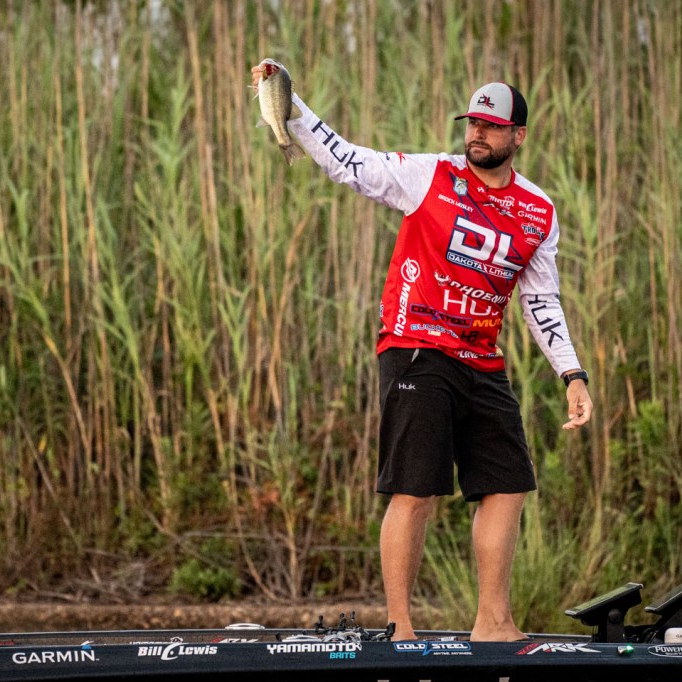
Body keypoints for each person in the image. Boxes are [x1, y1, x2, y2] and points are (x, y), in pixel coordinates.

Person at [250, 62, 593, 642]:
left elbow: (541, 299)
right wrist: (290, 105)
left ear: (518, 136)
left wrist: (572, 374)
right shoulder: (429, 175)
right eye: (473, 123)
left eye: (491, 126)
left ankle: (493, 623)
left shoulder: (538, 211)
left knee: (508, 483)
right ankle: (401, 628)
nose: (477, 133)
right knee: (416, 489)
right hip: (416, 348)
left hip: (482, 357)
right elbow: (347, 161)